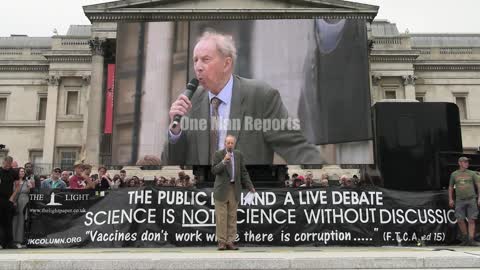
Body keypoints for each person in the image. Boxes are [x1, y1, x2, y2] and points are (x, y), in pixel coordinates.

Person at [164, 31, 322, 166]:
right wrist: (175, 130)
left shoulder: (260, 96)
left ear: (226, 64)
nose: (198, 67)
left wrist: (331, 178)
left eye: (205, 60)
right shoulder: (191, 101)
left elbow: (295, 146)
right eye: (195, 60)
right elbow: (170, 164)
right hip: (202, 199)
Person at [212, 135, 255, 250]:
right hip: (221, 190)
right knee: (221, 217)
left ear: (234, 144)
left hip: (234, 188)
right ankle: (221, 242)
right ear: (225, 143)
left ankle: (230, 242)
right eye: (228, 143)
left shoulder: (238, 155)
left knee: (232, 217)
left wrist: (250, 186)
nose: (230, 145)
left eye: (232, 143)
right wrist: (223, 162)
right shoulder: (218, 154)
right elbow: (214, 170)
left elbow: (243, 172)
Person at [448, 156, 480, 246]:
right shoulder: (454, 174)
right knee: (460, 219)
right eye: (465, 162)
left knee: (472, 219)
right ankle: (465, 238)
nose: (467, 163)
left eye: (467, 162)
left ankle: (471, 239)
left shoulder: (472, 173)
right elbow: (450, 187)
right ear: (460, 163)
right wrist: (450, 199)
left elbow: (478, 185)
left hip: (471, 199)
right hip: (459, 200)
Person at [10, 167, 32, 248]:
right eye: (20, 171)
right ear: (17, 173)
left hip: (25, 203)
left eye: (23, 171)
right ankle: (13, 240)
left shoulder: (27, 182)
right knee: (15, 222)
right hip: (16, 203)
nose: (22, 173)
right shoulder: (14, 182)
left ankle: (20, 241)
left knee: (22, 222)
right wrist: (13, 202)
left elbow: (31, 193)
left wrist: (30, 187)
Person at [0, 156, 18, 249]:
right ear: (3, 162)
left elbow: (17, 186)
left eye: (9, 165)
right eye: (6, 165)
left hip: (9, 200)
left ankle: (9, 243)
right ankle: (1, 243)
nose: (8, 167)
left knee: (8, 222)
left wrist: (12, 197)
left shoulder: (14, 172)